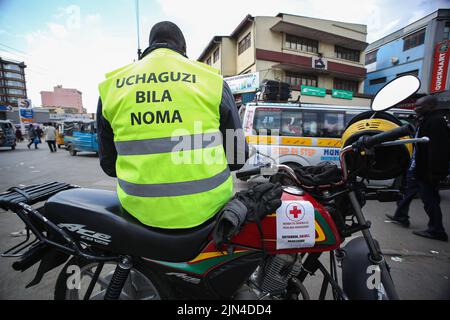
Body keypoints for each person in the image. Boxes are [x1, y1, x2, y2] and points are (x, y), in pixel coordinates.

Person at [97, 21, 248, 229]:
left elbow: (108, 165)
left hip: (138, 212)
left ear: (148, 48)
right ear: (183, 50)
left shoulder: (113, 86)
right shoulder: (211, 81)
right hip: (208, 212)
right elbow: (237, 157)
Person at [387, 95, 449, 241]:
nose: (416, 108)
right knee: (407, 191)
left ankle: (437, 230)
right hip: (417, 166)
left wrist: (436, 172)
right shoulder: (424, 120)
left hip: (427, 170)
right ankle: (401, 216)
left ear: (431, 106)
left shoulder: (436, 121)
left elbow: (439, 150)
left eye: (420, 106)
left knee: (430, 200)